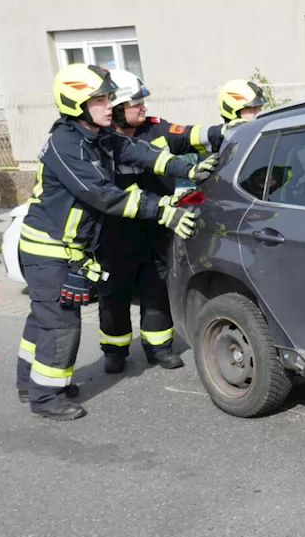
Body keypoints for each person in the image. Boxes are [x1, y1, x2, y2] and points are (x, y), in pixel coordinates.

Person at [16, 63, 216, 421]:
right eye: (100, 98)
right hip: (48, 248)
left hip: (60, 248)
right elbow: (104, 195)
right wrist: (163, 211)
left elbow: (140, 153)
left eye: (109, 97)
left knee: (42, 320)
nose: (109, 104)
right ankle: (45, 397)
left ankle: (30, 382)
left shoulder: (96, 134)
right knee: (60, 323)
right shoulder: (68, 144)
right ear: (76, 104)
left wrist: (186, 169)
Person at [97, 69, 242, 375]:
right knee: (114, 294)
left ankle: (159, 347)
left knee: (156, 289)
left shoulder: (157, 129)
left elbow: (194, 135)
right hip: (116, 233)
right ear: (120, 109)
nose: (144, 107)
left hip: (158, 227)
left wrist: (229, 130)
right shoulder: (100, 141)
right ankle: (114, 350)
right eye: (137, 103)